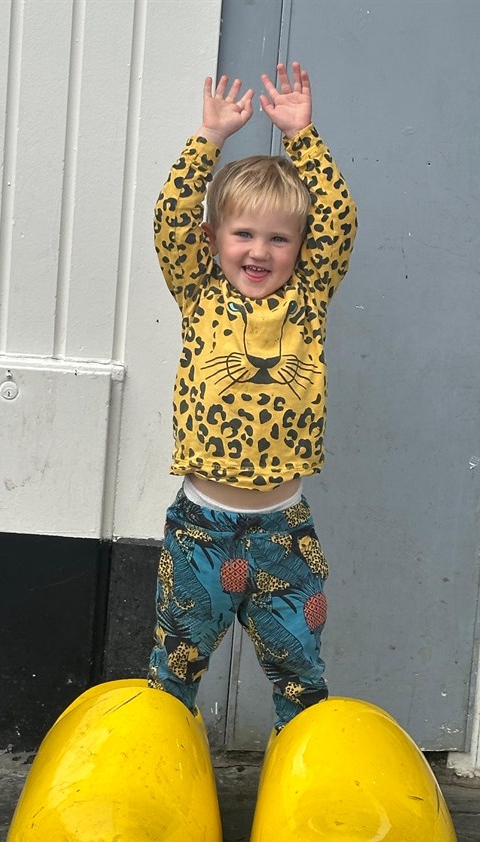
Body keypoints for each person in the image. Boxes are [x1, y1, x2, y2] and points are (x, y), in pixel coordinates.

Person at [148, 62, 357, 730]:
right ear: (214, 241)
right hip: (201, 528)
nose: (259, 251)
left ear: (300, 247)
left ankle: (302, 775)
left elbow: (339, 221)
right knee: (175, 668)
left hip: (284, 532)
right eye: (243, 234)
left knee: (302, 675)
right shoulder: (199, 291)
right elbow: (171, 220)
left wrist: (302, 137)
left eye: (278, 238)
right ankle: (159, 766)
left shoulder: (310, 295)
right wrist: (209, 140)